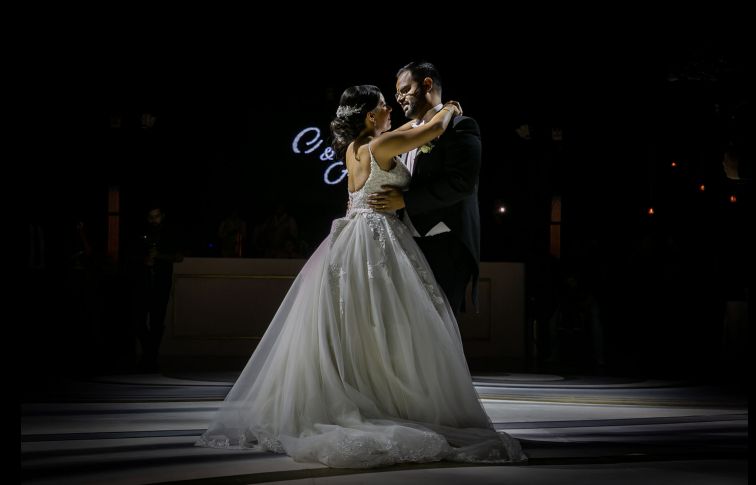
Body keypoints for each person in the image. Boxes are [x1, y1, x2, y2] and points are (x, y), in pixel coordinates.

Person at [196, 85, 525, 468]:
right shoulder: (378, 146)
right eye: (385, 106)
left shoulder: (352, 150)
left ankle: (364, 390)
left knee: (358, 323)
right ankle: (385, 396)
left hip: (349, 236)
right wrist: (449, 107)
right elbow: (431, 132)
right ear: (371, 116)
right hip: (376, 237)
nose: (390, 111)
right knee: (386, 322)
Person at [369, 62, 481, 315]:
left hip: (445, 245)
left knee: (438, 328)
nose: (398, 98)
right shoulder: (402, 136)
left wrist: (405, 201)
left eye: (404, 90)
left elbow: (461, 184)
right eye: (396, 93)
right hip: (405, 244)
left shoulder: (460, 126)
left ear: (427, 84)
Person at [129, 203, 184, 372]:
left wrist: (158, 256)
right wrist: (143, 260)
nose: (154, 220)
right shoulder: (141, 234)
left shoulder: (170, 233)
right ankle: (150, 356)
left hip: (161, 283)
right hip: (142, 284)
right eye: (151, 217)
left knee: (157, 322)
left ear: (162, 216)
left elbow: (178, 256)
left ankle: (150, 358)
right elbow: (131, 255)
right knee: (138, 321)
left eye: (157, 216)